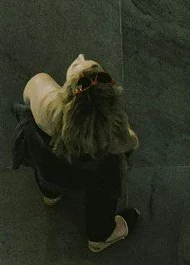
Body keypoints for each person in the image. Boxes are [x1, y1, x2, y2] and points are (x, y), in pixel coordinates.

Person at [14, 55, 139, 251]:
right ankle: (99, 236)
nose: (81, 57)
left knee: (47, 171)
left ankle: (51, 194)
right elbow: (130, 145)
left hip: (52, 163)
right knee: (103, 195)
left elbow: (30, 92)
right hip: (97, 174)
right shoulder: (117, 132)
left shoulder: (48, 106)